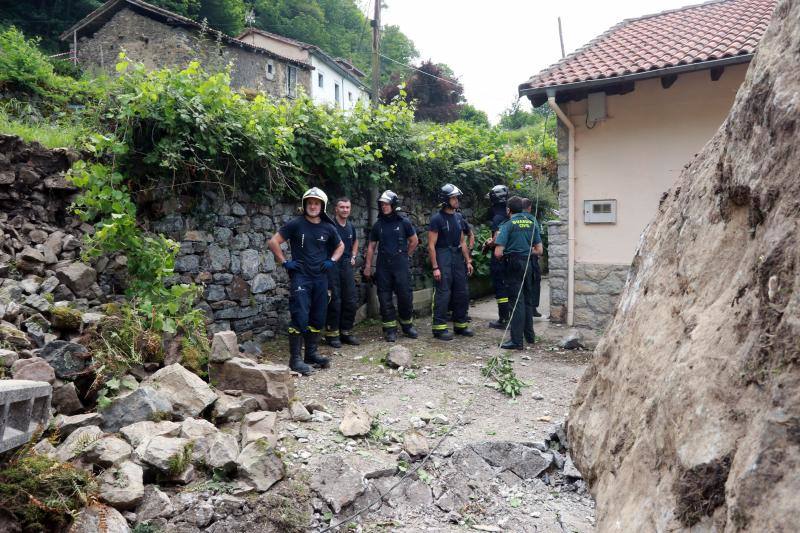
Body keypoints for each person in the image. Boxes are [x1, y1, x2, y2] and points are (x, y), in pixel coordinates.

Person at [268, 187, 344, 375]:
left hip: (320, 278)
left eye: (316, 203)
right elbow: (273, 242)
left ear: (322, 206)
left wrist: (331, 261)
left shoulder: (328, 227)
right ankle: (295, 360)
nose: (312, 206)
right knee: (300, 317)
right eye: (310, 203)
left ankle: (311, 354)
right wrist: (285, 262)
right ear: (305, 205)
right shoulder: (296, 224)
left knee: (318, 317)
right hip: (301, 277)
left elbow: (340, 246)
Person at [364, 190, 419, 342]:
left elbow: (414, 241)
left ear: (393, 205)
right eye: (382, 204)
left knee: (405, 296)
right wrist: (368, 266)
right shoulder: (378, 225)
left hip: (400, 265)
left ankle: (407, 326)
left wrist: (405, 255)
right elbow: (371, 247)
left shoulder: (404, 222)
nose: (384, 207)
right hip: (383, 267)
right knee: (384, 297)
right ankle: (390, 329)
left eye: (387, 204)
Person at [494, 195, 543, 350]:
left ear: (508, 210)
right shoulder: (531, 222)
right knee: (527, 300)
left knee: (516, 303)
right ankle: (530, 336)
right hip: (528, 263)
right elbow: (539, 250)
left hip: (513, 264)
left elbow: (498, 252)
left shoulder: (507, 225)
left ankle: (516, 341)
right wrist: (525, 251)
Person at [428, 184, 474, 340]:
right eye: (453, 198)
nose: (456, 200)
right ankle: (439, 328)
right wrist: (435, 267)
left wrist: (468, 261)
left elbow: (462, 241)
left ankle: (460, 325)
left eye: (456, 198)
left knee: (462, 291)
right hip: (442, 255)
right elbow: (431, 245)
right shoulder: (437, 219)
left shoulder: (459, 217)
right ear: (445, 200)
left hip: (457, 256)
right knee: (443, 292)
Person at [324, 197, 361, 348]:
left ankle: (346, 332)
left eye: (347, 207)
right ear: (336, 209)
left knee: (351, 300)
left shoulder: (350, 226)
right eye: (342, 207)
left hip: (346, 266)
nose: (345, 210)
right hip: (332, 266)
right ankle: (332, 335)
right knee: (334, 300)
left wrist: (353, 255)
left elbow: (356, 241)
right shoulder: (329, 226)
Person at [484, 184, 510, 329]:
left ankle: (503, 319)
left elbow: (497, 239)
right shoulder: (509, 214)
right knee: (508, 287)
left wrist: (489, 243)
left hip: (499, 258)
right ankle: (510, 316)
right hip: (510, 257)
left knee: (500, 288)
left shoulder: (497, 217)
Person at [522, 197, 543, 318]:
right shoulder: (532, 220)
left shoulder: (514, 219)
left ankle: (524, 307)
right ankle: (533, 308)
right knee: (535, 281)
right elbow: (537, 239)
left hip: (518, 256)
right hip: (532, 255)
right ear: (529, 207)